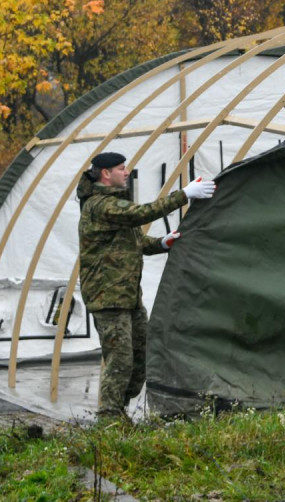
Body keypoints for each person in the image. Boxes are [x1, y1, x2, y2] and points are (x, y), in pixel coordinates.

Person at [76, 151, 216, 422]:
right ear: (106, 174)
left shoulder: (113, 207)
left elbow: (133, 242)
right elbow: (143, 213)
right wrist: (184, 194)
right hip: (108, 298)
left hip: (127, 296)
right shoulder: (99, 205)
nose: (126, 172)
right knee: (119, 361)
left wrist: (163, 243)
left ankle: (120, 412)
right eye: (121, 168)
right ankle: (109, 419)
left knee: (140, 359)